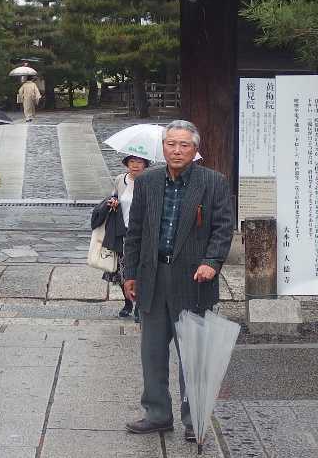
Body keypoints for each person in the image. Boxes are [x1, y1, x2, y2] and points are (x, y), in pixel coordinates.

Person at [122, 120, 234, 443]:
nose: (176, 150)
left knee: (193, 354)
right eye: (171, 144)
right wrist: (130, 273)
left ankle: (193, 418)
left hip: (193, 278)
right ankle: (157, 413)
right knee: (153, 351)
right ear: (163, 147)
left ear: (195, 149)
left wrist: (212, 262)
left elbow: (223, 228)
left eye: (184, 145)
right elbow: (135, 232)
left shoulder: (213, 182)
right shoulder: (148, 182)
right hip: (153, 276)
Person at [92, 154, 150, 319]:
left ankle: (139, 306)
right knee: (123, 269)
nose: (135, 165)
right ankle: (127, 302)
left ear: (145, 165)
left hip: (142, 233)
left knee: (141, 270)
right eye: (132, 162)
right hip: (122, 231)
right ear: (127, 164)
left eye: (139, 162)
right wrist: (113, 202)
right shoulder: (120, 179)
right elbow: (114, 196)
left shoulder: (150, 181)